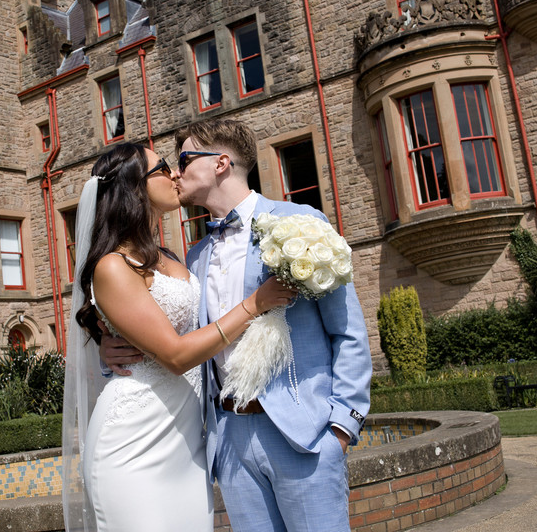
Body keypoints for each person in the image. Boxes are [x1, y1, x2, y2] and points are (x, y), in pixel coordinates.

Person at [103, 119, 372, 532]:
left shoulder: (300, 224)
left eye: (186, 159)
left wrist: (342, 425)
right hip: (227, 439)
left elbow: (347, 330)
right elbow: (171, 335)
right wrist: (110, 346)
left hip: (304, 435)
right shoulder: (191, 259)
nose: (176, 172)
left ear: (221, 163)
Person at [63, 142, 295, 532]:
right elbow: (174, 355)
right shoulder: (112, 267)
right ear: (132, 187)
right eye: (162, 168)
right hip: (133, 443)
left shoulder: (171, 258)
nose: (174, 174)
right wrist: (256, 303)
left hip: (188, 442)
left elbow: (185, 321)